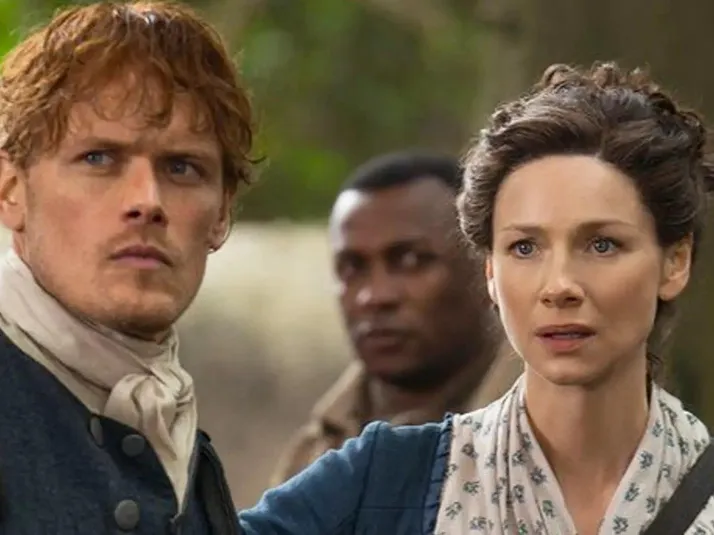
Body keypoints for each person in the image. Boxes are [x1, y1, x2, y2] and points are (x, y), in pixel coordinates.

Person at [239, 62, 714, 534]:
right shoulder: (383, 480)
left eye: (602, 245)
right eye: (524, 248)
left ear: (675, 261)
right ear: (489, 272)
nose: (559, 286)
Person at [0, 2, 253, 533]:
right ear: (11, 189)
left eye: (181, 167)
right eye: (99, 158)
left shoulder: (187, 452)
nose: (147, 201)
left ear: (221, 214)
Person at [270, 151, 522, 485]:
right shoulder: (317, 451)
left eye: (411, 261)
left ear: (485, 270)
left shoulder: (548, 436)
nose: (374, 296)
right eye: (352, 267)